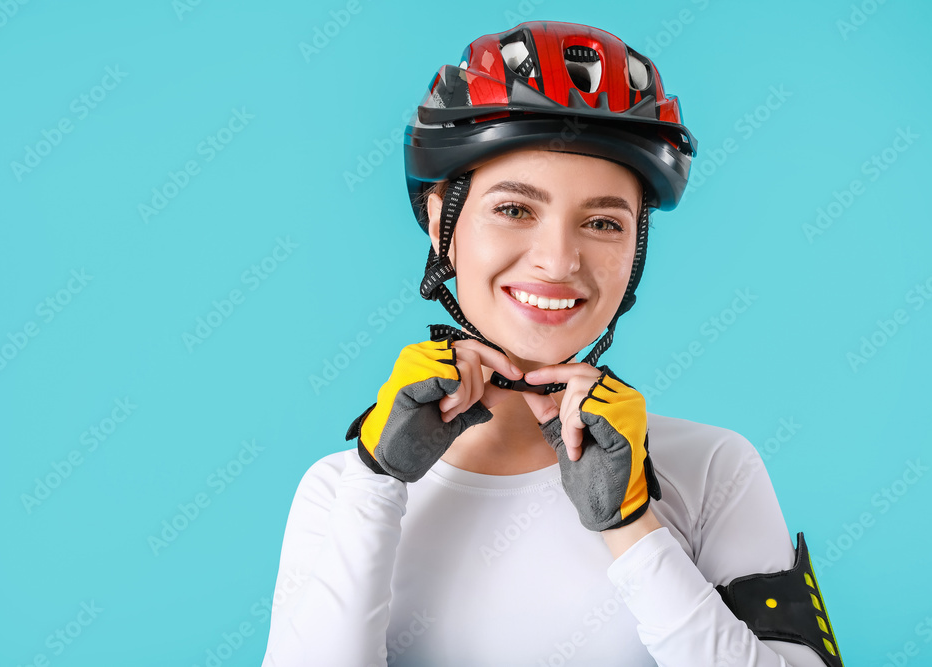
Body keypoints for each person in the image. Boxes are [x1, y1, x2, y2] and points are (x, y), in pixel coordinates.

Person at [262, 21, 843, 667]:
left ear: (635, 248)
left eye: (601, 222)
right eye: (514, 209)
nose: (558, 260)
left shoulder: (712, 469)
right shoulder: (338, 488)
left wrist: (630, 523)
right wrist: (378, 483)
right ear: (440, 223)